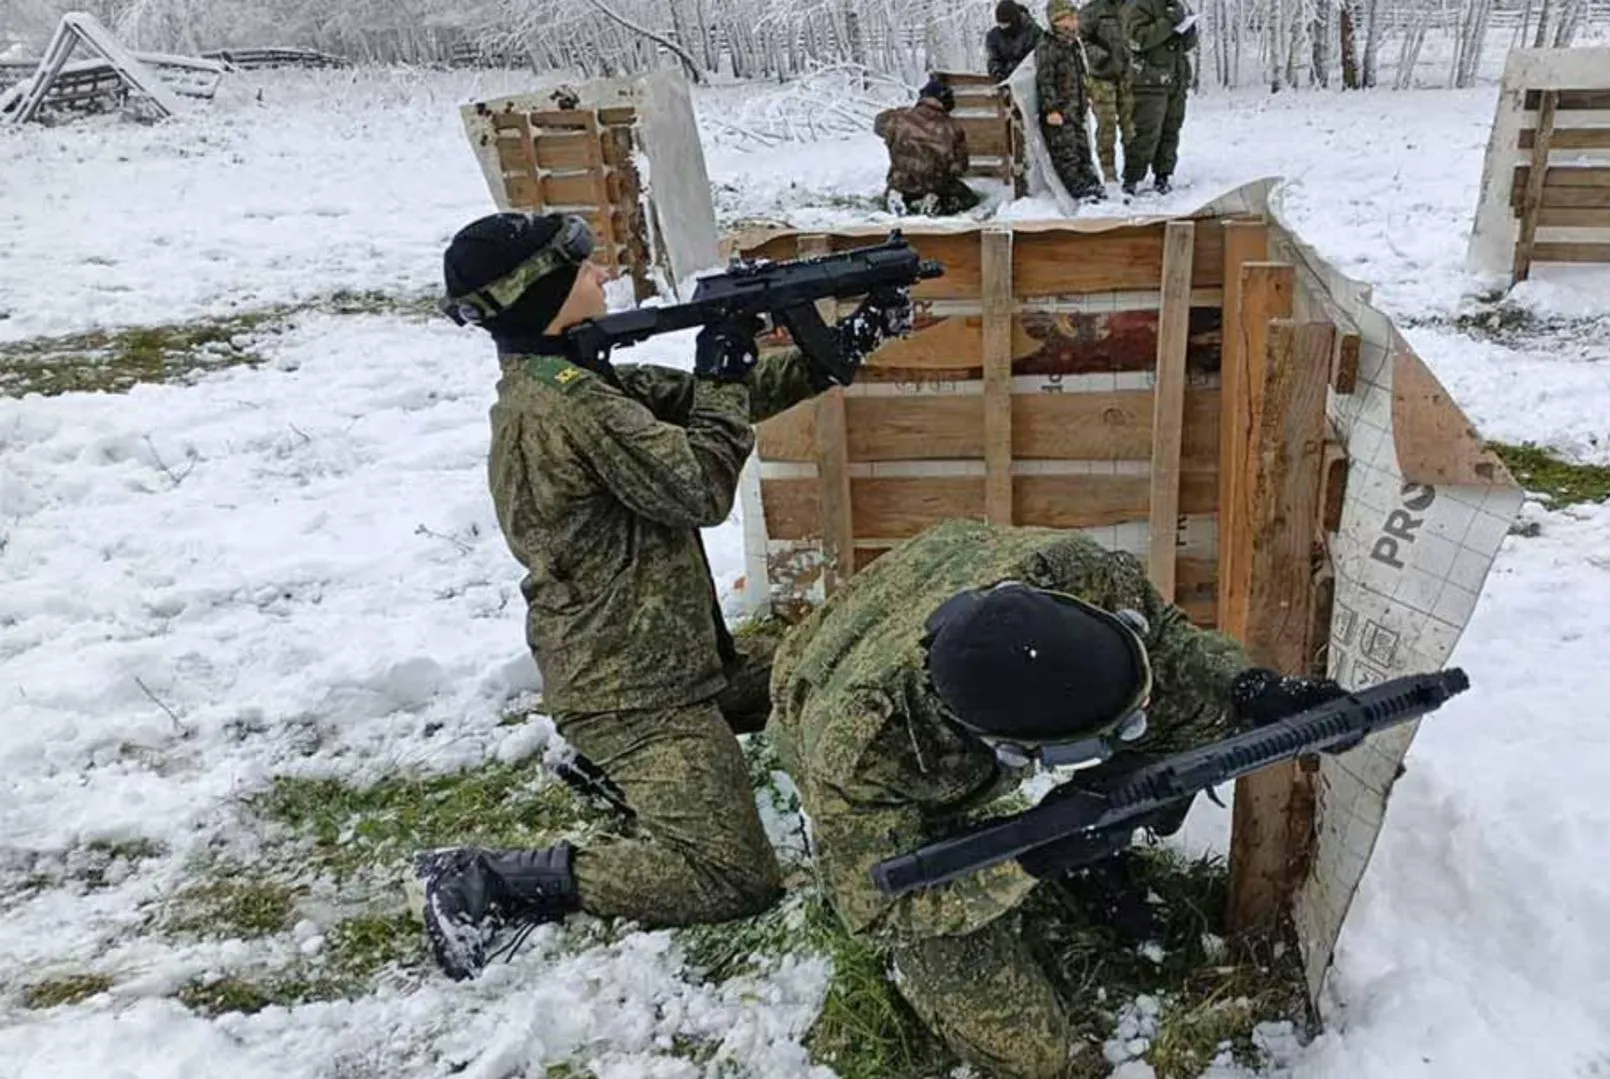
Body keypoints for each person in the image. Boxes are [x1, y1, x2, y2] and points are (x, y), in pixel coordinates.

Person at [411, 211, 914, 981]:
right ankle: (493, 877)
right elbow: (700, 484)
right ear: (542, 292)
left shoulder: (580, 378)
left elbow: (717, 402)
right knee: (734, 878)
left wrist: (838, 347)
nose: (603, 272)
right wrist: (719, 378)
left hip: (681, 663)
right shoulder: (567, 408)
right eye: (582, 269)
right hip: (633, 693)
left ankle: (625, 776)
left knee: (834, 667)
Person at [767, 519, 1342, 1077]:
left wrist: (1248, 688)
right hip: (827, 679)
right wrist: (1033, 856)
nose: (1146, 718)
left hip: (939, 583)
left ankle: (1103, 837)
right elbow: (879, 910)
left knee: (1209, 712)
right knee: (1033, 1050)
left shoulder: (1071, 574)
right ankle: (1068, 851)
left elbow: (1164, 639)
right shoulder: (864, 753)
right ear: (1017, 751)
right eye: (1120, 730)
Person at [1120, 0, 1198, 196]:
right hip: (1149, 80)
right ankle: (1132, 179)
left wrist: (1187, 27)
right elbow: (1138, 40)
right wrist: (1169, 22)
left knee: (1171, 130)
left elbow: (1189, 43)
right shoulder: (1138, 5)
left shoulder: (1178, 4)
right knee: (1145, 132)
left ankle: (1163, 175)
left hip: (1176, 79)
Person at [873, 76, 982, 217]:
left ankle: (897, 196)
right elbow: (960, 167)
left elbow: (877, 126)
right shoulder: (953, 128)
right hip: (934, 184)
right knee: (970, 200)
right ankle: (935, 202)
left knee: (897, 184)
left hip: (901, 182)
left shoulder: (898, 117)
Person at [1034, 0, 1105, 203]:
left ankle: (1092, 184)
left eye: (1075, 18)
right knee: (1067, 154)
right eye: (1070, 18)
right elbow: (1045, 81)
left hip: (1076, 109)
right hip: (1060, 113)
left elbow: (1080, 74)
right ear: (1058, 21)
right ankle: (1080, 192)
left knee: (1083, 150)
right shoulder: (1048, 45)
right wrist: (1051, 109)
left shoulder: (1072, 44)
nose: (1075, 22)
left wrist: (1086, 96)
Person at [1079, 0, 1134, 185]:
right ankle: (1109, 173)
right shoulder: (1092, 10)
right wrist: (1098, 56)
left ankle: (1132, 173)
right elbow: (1081, 39)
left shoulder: (1130, 6)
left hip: (1126, 75)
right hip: (1101, 78)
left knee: (1131, 126)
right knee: (1107, 127)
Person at [986, 0, 1039, 82]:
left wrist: (1016, 69)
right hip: (1004, 81)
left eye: (1006, 24)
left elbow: (1038, 58)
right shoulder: (994, 36)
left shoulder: (1033, 32)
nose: (1003, 28)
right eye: (1001, 24)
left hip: (1028, 79)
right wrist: (996, 71)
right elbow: (993, 58)